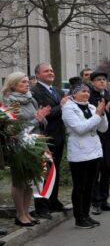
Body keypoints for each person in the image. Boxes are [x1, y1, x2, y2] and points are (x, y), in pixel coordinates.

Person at [2, 72, 50, 227]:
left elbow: (41, 123)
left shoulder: (31, 99)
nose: (27, 83)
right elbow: (14, 129)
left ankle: (27, 212)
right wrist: (37, 119)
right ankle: (20, 214)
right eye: (23, 82)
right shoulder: (9, 102)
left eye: (27, 81)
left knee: (31, 181)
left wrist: (42, 119)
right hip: (19, 147)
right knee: (20, 182)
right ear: (13, 84)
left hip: (35, 144)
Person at [62, 81, 108, 229]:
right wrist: (97, 115)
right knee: (80, 187)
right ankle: (79, 217)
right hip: (79, 153)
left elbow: (103, 128)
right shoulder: (69, 108)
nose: (86, 94)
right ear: (74, 94)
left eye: (88, 92)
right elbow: (80, 129)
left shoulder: (92, 107)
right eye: (83, 91)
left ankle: (87, 215)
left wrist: (103, 113)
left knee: (90, 186)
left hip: (94, 152)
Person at [30, 63, 68, 218]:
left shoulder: (58, 91)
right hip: (44, 138)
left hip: (58, 137)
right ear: (37, 75)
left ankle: (53, 201)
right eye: (46, 71)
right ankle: (42, 206)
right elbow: (43, 115)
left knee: (55, 171)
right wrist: (61, 106)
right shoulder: (34, 92)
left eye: (52, 70)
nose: (51, 73)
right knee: (43, 173)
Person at [88, 71, 110, 215]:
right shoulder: (88, 97)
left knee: (107, 170)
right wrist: (101, 112)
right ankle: (95, 202)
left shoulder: (109, 96)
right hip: (95, 137)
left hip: (108, 138)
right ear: (92, 82)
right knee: (95, 171)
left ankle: (104, 200)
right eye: (99, 80)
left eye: (104, 79)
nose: (102, 82)